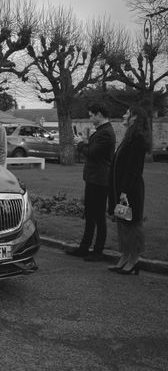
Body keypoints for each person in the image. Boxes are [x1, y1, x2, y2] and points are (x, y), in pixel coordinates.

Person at [66, 103, 116, 261]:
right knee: (90, 214)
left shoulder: (105, 132)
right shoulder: (102, 131)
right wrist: (83, 143)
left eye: (91, 115)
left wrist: (80, 143)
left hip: (100, 180)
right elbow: (94, 150)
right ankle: (84, 248)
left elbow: (93, 154)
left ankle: (98, 251)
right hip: (94, 179)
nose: (90, 118)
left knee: (98, 216)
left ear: (99, 114)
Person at [107, 106, 151, 275]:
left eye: (127, 113)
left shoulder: (138, 138)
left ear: (134, 117)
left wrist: (124, 192)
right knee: (123, 224)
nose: (124, 115)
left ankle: (134, 260)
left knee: (132, 225)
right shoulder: (129, 136)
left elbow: (133, 169)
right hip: (121, 189)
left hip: (130, 191)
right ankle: (124, 256)